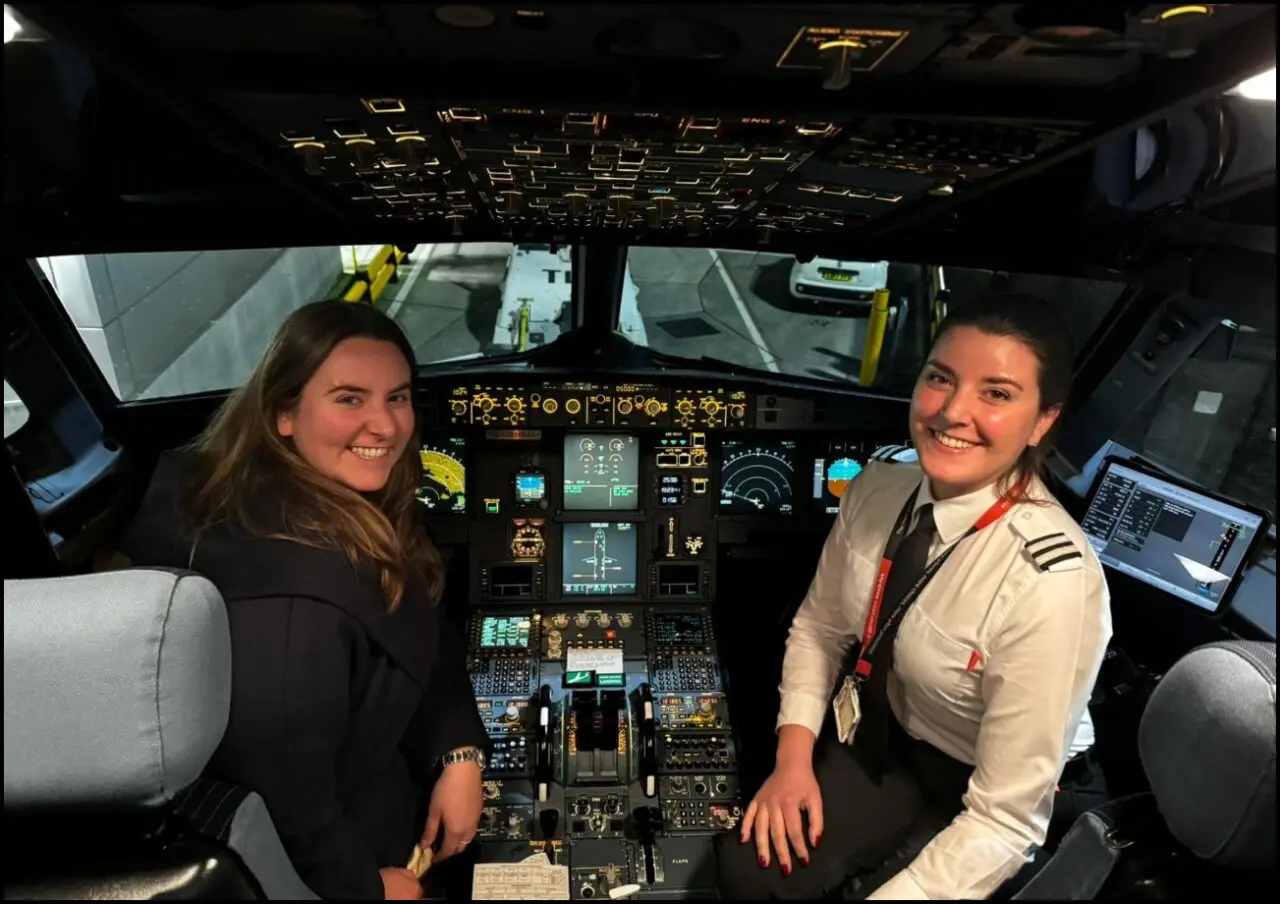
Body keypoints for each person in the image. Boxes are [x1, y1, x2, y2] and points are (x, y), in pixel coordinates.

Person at [714, 291, 1113, 900]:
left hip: (997, 781)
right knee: (750, 872)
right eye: (940, 379)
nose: (952, 412)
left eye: (996, 394)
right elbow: (819, 629)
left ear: (1042, 421)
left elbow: (1005, 821)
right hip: (891, 738)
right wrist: (791, 763)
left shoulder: (1051, 584)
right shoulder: (877, 489)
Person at [123, 301, 488, 901]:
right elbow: (286, 800)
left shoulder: (322, 502)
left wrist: (457, 751)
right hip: (346, 858)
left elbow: (418, 619)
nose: (385, 426)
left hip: (382, 787)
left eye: (396, 397)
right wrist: (370, 890)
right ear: (284, 413)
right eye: (349, 399)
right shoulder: (290, 607)